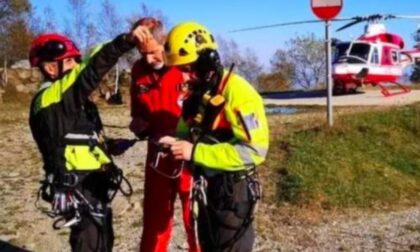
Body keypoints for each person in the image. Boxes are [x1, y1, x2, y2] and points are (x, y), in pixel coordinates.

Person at [29, 26, 151, 252]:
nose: (75, 66)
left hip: (93, 185)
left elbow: (73, 137)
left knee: (103, 241)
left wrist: (108, 145)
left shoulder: (71, 102)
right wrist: (125, 41)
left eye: (76, 61)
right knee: (90, 244)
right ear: (49, 68)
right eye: (70, 62)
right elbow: (90, 70)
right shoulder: (50, 100)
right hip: (78, 188)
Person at [159, 22, 269, 252]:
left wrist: (196, 152)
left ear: (207, 61)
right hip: (208, 187)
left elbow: (255, 151)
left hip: (232, 191)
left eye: (188, 68)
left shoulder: (238, 92)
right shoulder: (200, 92)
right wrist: (175, 141)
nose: (184, 76)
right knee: (209, 245)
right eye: (181, 69)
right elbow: (187, 129)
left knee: (229, 246)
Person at [129, 17, 200, 252]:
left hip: (191, 153)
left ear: (165, 42)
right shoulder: (138, 71)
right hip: (157, 155)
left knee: (196, 218)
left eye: (154, 52)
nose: (150, 59)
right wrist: (139, 125)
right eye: (143, 53)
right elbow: (137, 112)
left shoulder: (187, 66)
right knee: (155, 219)